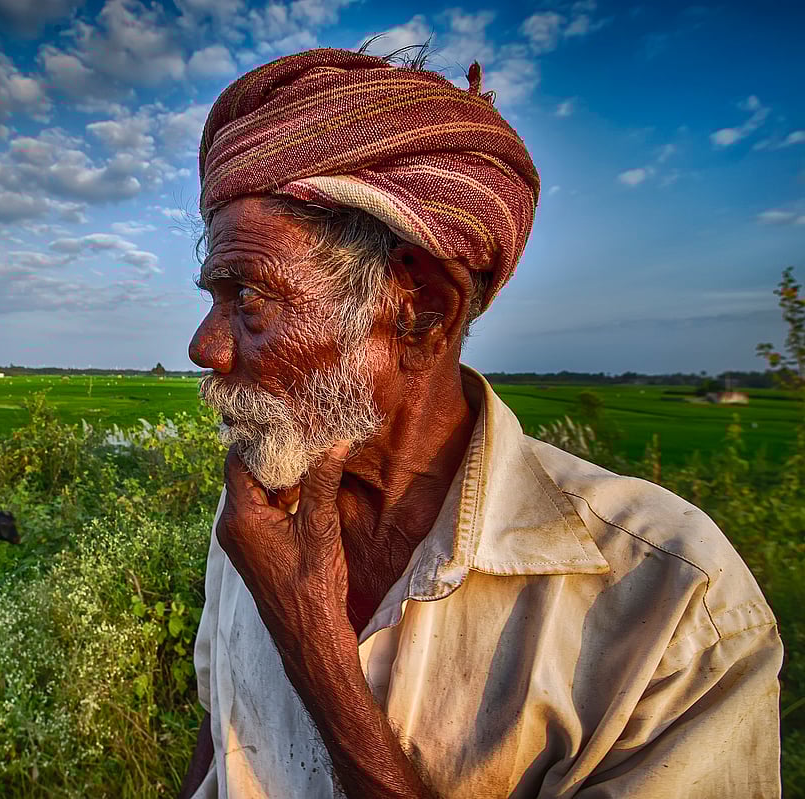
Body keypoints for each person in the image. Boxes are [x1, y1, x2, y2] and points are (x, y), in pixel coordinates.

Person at [179, 46, 783, 799]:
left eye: (248, 297)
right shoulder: (258, 513)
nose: (203, 345)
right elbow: (223, 738)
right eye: (213, 297)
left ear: (423, 308)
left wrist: (315, 650)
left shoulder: (671, 605)